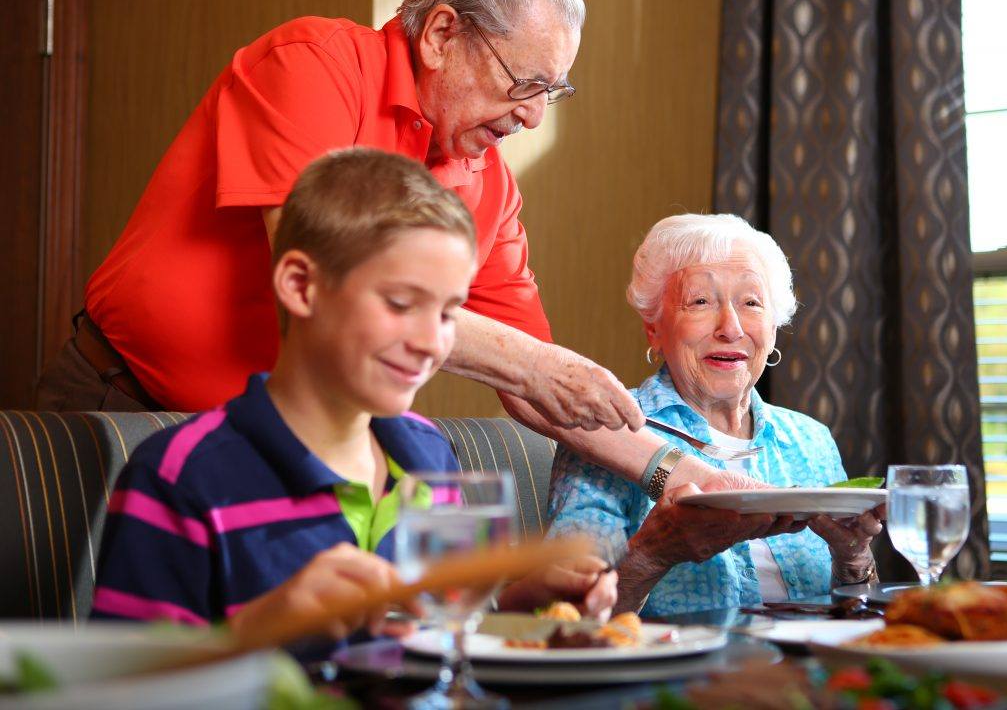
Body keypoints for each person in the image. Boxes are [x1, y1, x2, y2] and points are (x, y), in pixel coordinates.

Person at [39, 0, 726, 501]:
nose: (533, 116)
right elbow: (330, 266)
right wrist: (536, 362)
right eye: (525, 84)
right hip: (127, 403)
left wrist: (691, 479)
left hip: (286, 446)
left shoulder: (489, 184)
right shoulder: (315, 66)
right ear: (442, 33)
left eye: (554, 92)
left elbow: (538, 388)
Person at [91, 149, 616, 650]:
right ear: (300, 286)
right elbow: (119, 689)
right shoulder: (182, 477)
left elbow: (437, 631)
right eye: (400, 303)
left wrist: (522, 600)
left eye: (448, 313)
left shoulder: (429, 456)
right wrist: (259, 633)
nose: (432, 341)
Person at [548, 214, 883, 616]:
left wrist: (854, 558)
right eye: (701, 302)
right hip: (675, 675)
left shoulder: (810, 439)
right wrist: (655, 554)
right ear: (654, 329)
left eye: (752, 303)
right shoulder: (606, 429)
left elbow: (858, 619)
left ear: (773, 328)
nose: (731, 327)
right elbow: (568, 617)